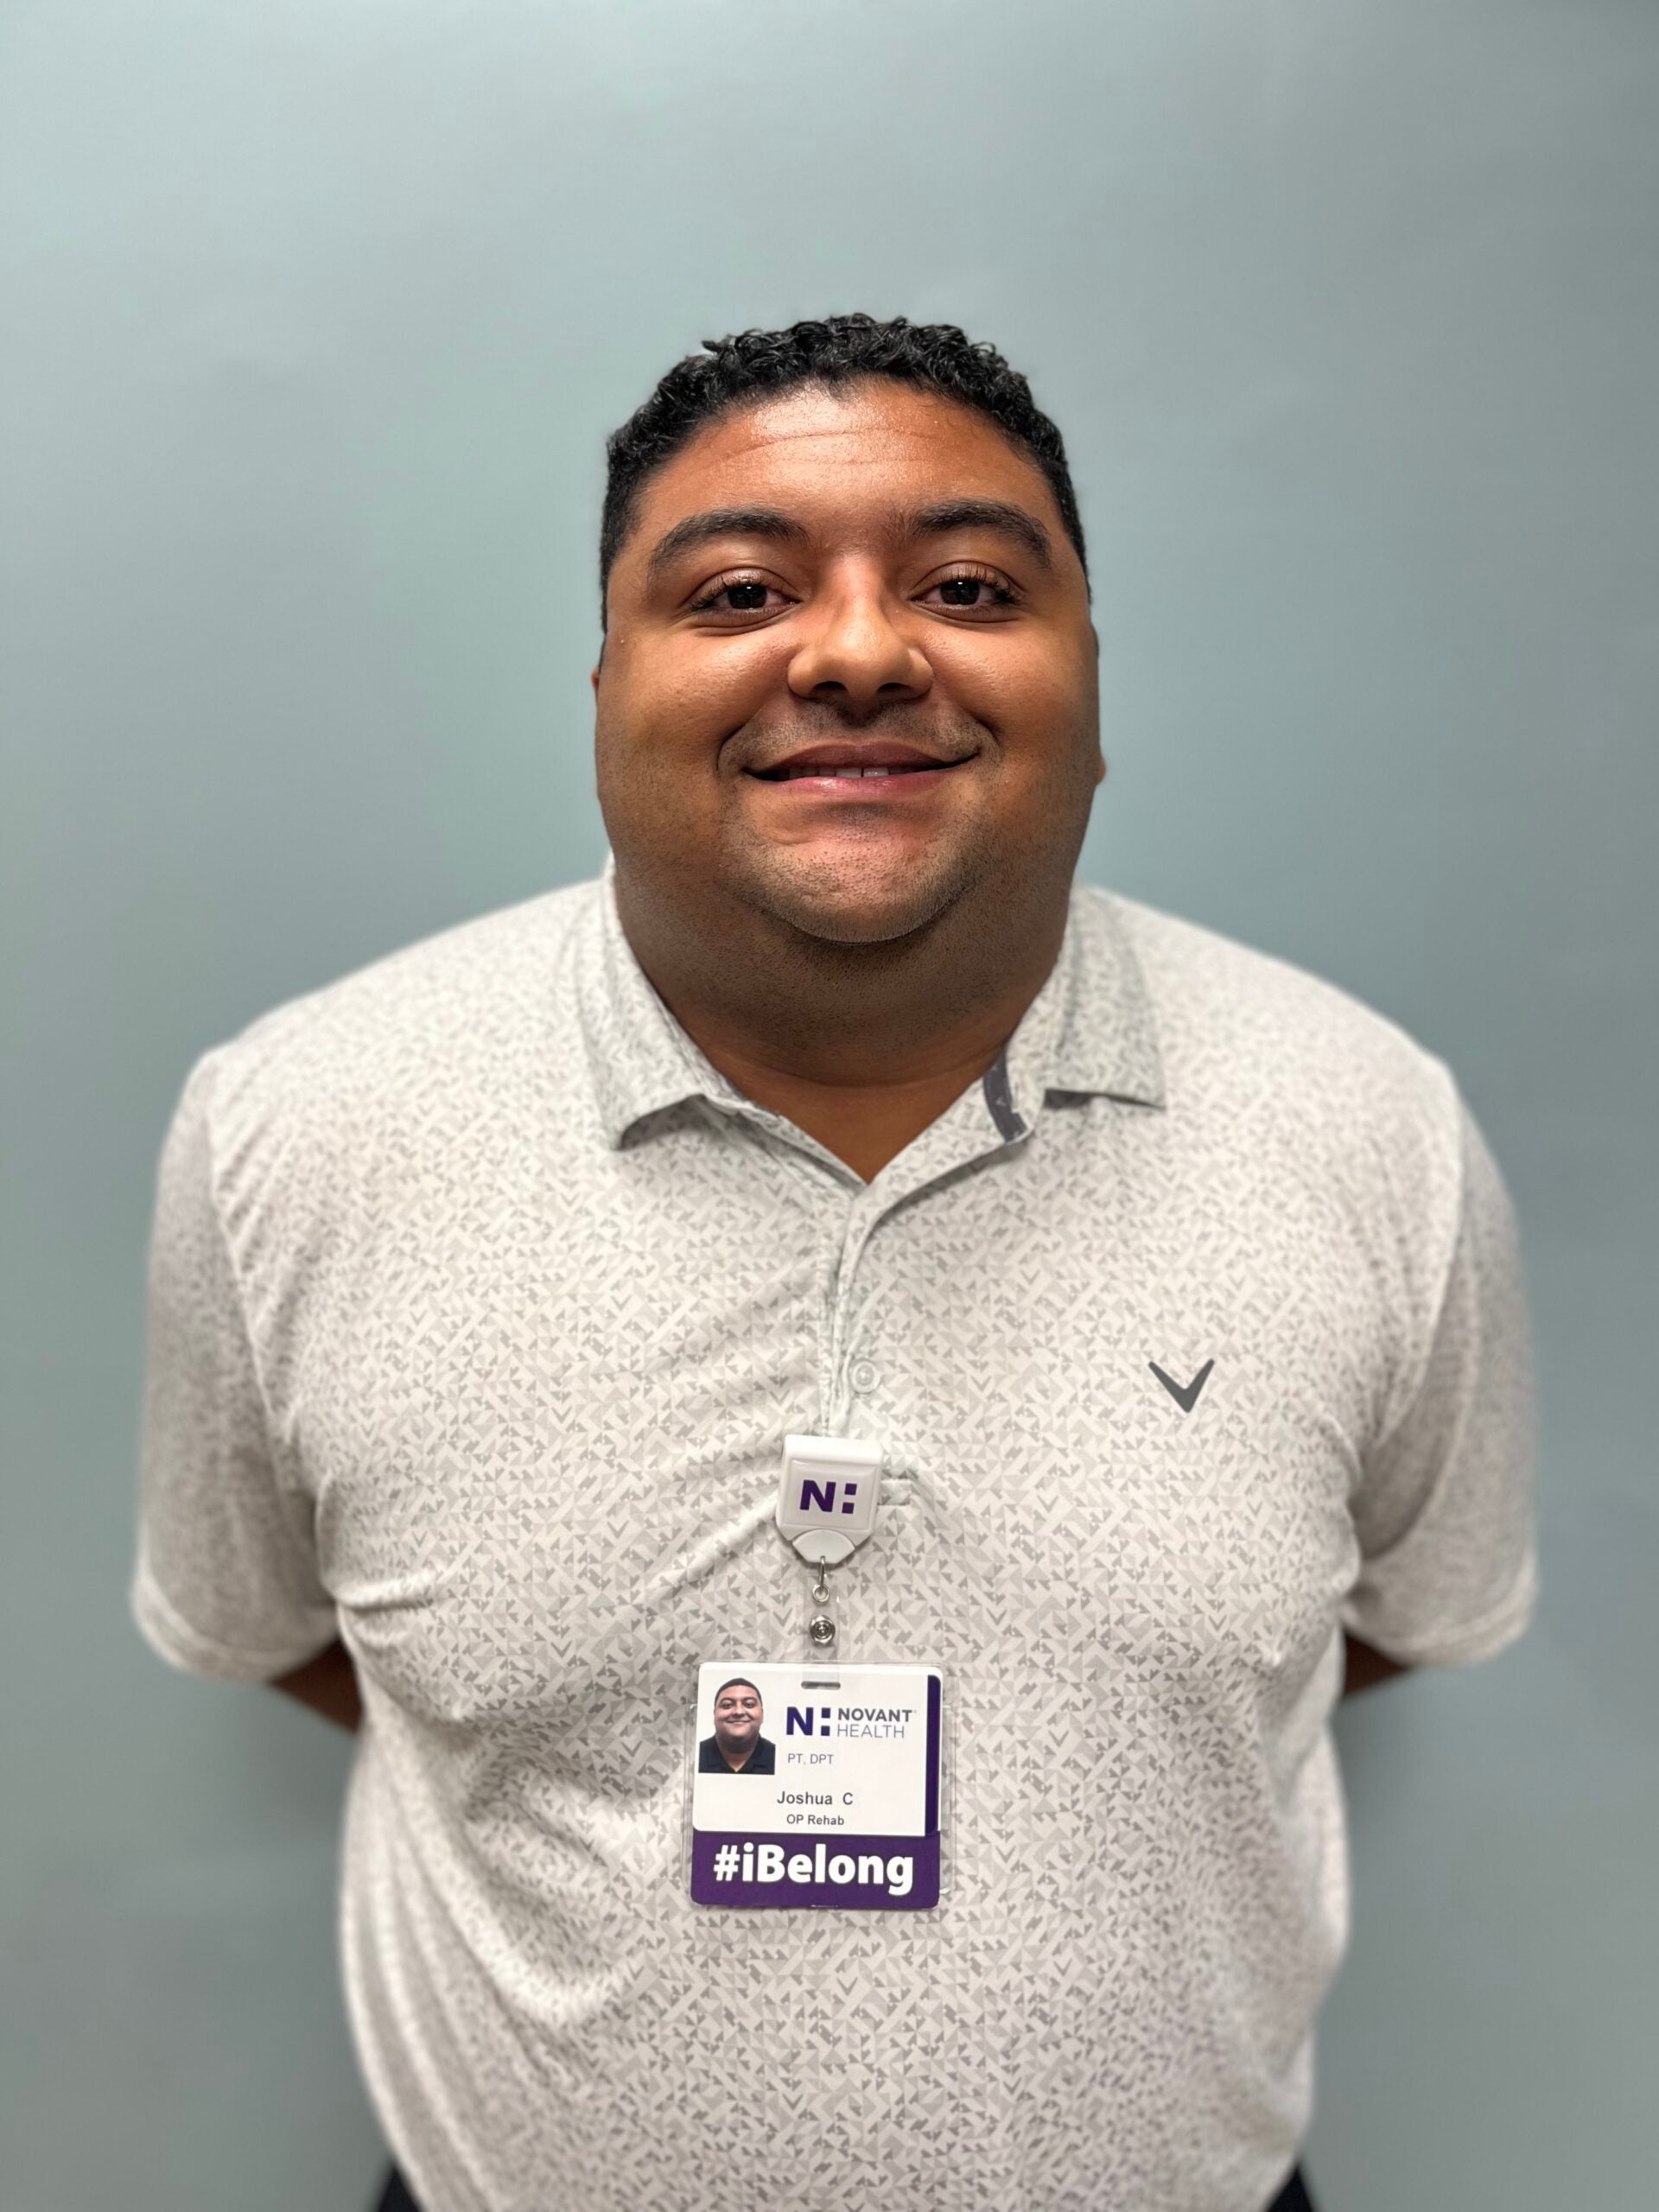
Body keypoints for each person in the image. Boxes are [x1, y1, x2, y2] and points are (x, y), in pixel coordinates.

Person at [130, 315, 1537, 2212]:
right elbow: (298, 1631)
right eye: (738, 591)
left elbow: (1376, 1617)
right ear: (608, 680)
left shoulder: (1370, 1128)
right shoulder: (290, 1130)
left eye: (966, 583)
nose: (863, 650)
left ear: (1092, 684)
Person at [697, 1677, 777, 1773]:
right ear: (714, 1714)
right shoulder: (694, 1756)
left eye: (749, 1704)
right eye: (727, 1705)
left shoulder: (780, 1758)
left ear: (762, 1714)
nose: (738, 1712)